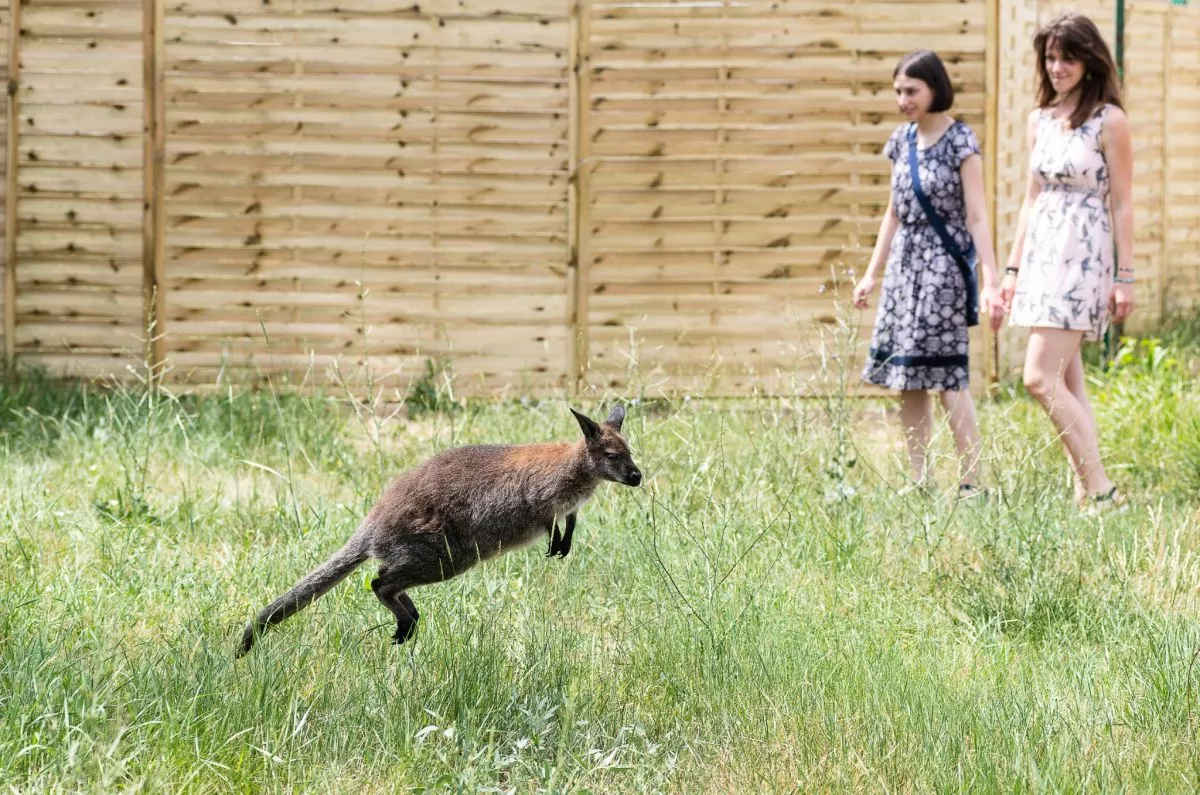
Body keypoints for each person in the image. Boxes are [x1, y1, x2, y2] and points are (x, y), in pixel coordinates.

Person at [852, 50, 1005, 498]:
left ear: (935, 87)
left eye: (911, 90)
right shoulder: (900, 142)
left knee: (947, 377)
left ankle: (972, 482)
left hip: (944, 273)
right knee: (907, 378)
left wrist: (990, 278)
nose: (903, 99)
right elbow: (893, 213)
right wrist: (871, 274)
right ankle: (919, 480)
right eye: (898, 90)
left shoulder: (961, 142)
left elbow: (977, 216)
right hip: (904, 271)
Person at [999, 12, 1134, 513]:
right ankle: (1087, 491)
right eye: (1050, 57)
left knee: (1039, 378)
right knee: (1069, 380)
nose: (1057, 67)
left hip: (1082, 254)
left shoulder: (1109, 120)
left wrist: (1125, 276)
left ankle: (1099, 486)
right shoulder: (1039, 119)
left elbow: (1122, 202)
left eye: (1067, 56)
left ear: (1089, 59)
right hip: (1040, 254)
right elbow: (1030, 199)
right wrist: (1013, 271)